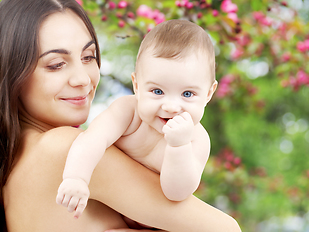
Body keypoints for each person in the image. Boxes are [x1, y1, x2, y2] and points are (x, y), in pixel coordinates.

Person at [0, 0, 241, 231]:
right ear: (12, 73)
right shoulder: (64, 149)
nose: (83, 79)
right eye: (56, 64)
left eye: (88, 56)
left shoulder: (12, 167)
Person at [56, 19, 218, 219]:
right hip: (104, 208)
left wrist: (179, 147)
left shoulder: (196, 139)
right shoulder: (128, 112)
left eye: (187, 94)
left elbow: (176, 194)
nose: (171, 107)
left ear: (209, 93)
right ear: (137, 86)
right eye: (157, 91)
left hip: (151, 222)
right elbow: (93, 138)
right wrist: (76, 177)